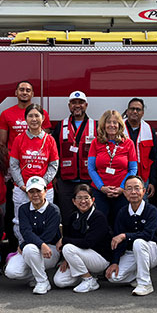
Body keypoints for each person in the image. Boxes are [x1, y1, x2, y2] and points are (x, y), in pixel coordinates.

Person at [4, 176, 63, 294]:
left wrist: (26, 244)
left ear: (45, 191)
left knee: (29, 248)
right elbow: (25, 232)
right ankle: (35, 277)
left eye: (38, 191)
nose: (35, 194)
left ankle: (42, 282)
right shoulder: (23, 209)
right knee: (11, 271)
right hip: (32, 248)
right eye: (31, 191)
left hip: (49, 250)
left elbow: (48, 236)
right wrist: (38, 244)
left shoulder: (54, 210)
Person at [9, 104, 60, 240]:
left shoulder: (49, 140)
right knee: (20, 221)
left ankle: (42, 248)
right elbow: (13, 165)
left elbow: (53, 165)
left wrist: (42, 185)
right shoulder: (19, 139)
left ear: (43, 118)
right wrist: (22, 185)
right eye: (30, 116)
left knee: (45, 220)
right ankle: (22, 247)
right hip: (22, 189)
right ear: (25, 119)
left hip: (45, 189)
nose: (34, 119)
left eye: (37, 115)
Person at [105, 175, 157, 295]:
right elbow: (117, 240)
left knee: (139, 242)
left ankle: (145, 283)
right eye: (129, 189)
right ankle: (137, 276)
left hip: (152, 251)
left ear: (144, 191)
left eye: (137, 188)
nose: (133, 192)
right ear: (124, 193)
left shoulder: (152, 210)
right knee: (113, 277)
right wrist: (115, 262)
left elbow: (147, 235)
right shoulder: (122, 212)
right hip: (132, 252)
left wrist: (125, 236)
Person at [53, 184, 112, 293]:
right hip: (80, 255)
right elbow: (70, 237)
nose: (83, 201)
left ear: (93, 199)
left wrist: (64, 241)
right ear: (74, 201)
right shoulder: (72, 217)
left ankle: (89, 280)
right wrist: (67, 259)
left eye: (86, 198)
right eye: (79, 198)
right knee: (59, 281)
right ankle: (87, 275)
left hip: (99, 257)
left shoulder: (98, 217)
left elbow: (87, 243)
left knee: (67, 248)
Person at [51, 91, 96, 223]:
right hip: (65, 181)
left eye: (80, 103)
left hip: (89, 180)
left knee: (89, 216)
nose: (77, 106)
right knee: (67, 217)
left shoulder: (96, 125)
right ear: (69, 105)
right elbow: (54, 153)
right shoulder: (61, 126)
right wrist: (55, 177)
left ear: (86, 105)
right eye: (74, 103)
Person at [87, 109, 138, 223]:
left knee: (120, 223)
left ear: (119, 125)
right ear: (103, 125)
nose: (112, 125)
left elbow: (133, 169)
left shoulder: (128, 143)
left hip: (122, 192)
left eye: (115, 122)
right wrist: (102, 187)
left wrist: (122, 188)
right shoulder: (96, 142)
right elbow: (91, 168)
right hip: (99, 192)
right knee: (100, 222)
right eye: (108, 122)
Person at [0, 80, 51, 148]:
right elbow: (1, 143)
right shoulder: (5, 114)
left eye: (28, 90)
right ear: (16, 92)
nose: (24, 93)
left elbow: (46, 140)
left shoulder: (42, 114)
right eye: (21, 90)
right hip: (13, 157)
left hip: (36, 156)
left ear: (32, 94)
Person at [124, 98, 157, 198]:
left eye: (138, 109)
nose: (135, 111)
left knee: (142, 207)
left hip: (143, 178)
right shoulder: (118, 128)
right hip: (122, 177)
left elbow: (153, 158)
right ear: (127, 111)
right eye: (132, 109)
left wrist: (152, 181)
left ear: (142, 113)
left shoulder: (149, 130)